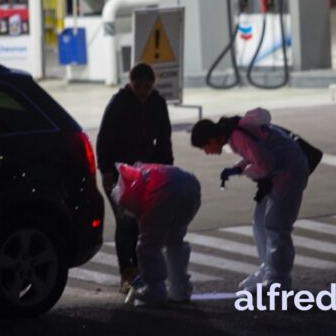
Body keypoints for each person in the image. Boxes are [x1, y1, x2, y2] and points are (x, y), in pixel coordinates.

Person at [190, 108, 309, 291]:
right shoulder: (233, 131)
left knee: (276, 227)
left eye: (204, 147)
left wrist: (245, 171)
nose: (206, 152)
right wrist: (237, 168)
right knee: (260, 223)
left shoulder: (236, 136)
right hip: (281, 171)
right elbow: (258, 153)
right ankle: (268, 270)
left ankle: (278, 280)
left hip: (289, 172)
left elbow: (266, 164)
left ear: (213, 139)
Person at [96, 64, 174, 293]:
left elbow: (164, 139)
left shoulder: (157, 104)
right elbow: (104, 138)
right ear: (130, 82)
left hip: (146, 172)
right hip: (119, 173)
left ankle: (141, 269)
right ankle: (127, 272)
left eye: (147, 85)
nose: (142, 90)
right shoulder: (119, 102)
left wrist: (166, 170)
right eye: (138, 85)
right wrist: (106, 170)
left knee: (143, 221)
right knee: (125, 221)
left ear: (153, 83)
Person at [111, 162, 201, 306]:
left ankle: (155, 290)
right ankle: (180, 289)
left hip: (163, 189)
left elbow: (148, 236)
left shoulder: (142, 190)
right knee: (175, 241)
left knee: (148, 246)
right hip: (191, 186)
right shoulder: (145, 173)